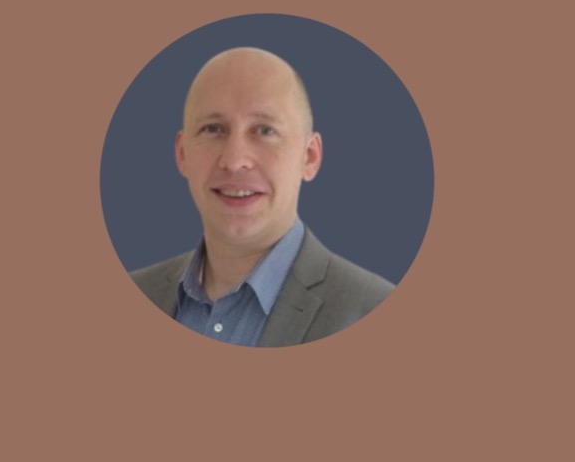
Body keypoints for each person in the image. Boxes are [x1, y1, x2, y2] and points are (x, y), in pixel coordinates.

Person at [130, 47, 394, 346]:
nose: (234, 160)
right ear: (182, 154)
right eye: (213, 129)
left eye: (265, 130)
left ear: (309, 157)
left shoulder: (376, 311)